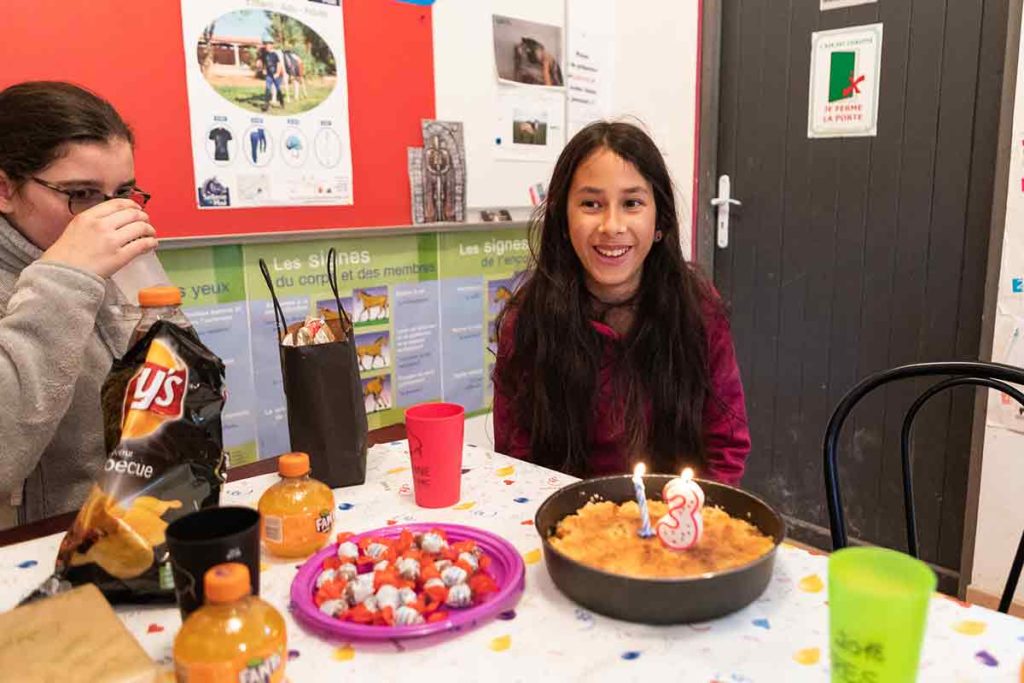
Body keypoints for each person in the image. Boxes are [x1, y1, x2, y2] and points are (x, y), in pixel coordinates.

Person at [492, 121, 750, 485]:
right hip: (563, 523)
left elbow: (726, 447)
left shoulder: (699, 311)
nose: (612, 225)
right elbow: (517, 459)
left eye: (632, 203)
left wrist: (692, 523)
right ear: (563, 220)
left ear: (660, 219)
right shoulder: (527, 321)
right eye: (591, 204)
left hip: (674, 524)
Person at [0, 81, 157, 524]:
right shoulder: (74, 265)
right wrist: (68, 276)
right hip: (38, 552)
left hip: (140, 527)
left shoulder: (121, 258)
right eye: (81, 194)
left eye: (123, 193)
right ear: (6, 189)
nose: (106, 216)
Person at [259, 39, 286, 111]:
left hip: (275, 75)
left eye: (268, 45)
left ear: (271, 46)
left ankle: (282, 103)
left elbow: (279, 64)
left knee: (278, 89)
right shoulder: (264, 55)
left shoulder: (274, 54)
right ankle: (266, 105)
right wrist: (263, 69)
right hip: (269, 75)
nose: (266, 47)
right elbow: (264, 63)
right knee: (267, 88)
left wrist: (277, 73)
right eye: (266, 45)